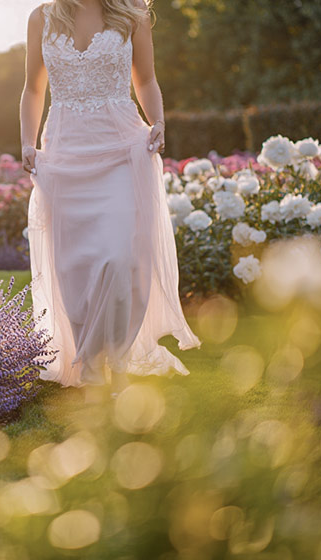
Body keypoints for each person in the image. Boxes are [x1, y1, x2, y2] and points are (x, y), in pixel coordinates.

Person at [19, 0, 201, 392]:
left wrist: (159, 122)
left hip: (121, 149)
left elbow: (146, 81)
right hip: (65, 151)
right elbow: (34, 87)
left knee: (119, 259)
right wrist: (26, 143)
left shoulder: (131, 16)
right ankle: (91, 366)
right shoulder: (41, 18)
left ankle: (114, 362)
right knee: (75, 267)